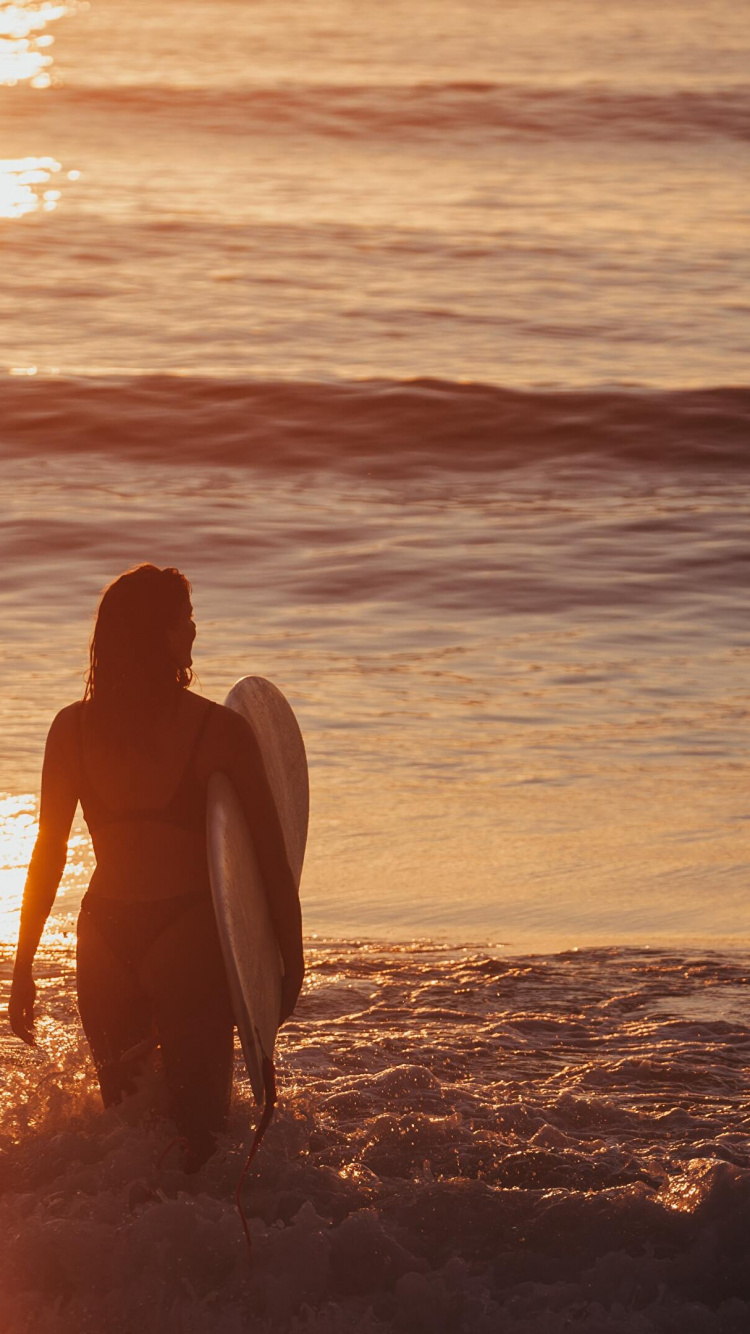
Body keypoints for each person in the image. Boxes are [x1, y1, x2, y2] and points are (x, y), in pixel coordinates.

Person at [7, 564, 304, 1171]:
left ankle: (114, 1253)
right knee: (201, 1142)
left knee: (123, 1141)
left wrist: (24, 965)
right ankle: (198, 1255)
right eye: (184, 622)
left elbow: (49, 855)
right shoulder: (219, 732)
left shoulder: (72, 729)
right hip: (187, 936)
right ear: (161, 636)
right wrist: (287, 961)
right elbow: (271, 862)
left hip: (104, 939)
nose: (193, 631)